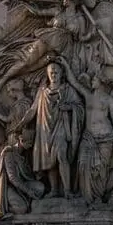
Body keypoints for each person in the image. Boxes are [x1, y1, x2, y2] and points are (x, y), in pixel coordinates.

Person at [56, 58, 113, 204]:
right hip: (88, 137)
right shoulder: (88, 96)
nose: (92, 82)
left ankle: (98, 197)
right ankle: (87, 198)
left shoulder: (109, 100)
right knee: (82, 164)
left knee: (101, 170)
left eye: (94, 80)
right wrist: (66, 64)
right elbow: (74, 82)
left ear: (101, 82)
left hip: (106, 138)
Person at [17, 62, 84, 199]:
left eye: (56, 72)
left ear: (61, 74)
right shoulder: (42, 92)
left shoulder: (67, 90)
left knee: (61, 156)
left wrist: (69, 107)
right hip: (45, 128)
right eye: (51, 72)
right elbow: (33, 110)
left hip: (61, 127)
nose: (53, 75)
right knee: (49, 160)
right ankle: (54, 190)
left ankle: (67, 190)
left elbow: (80, 107)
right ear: (48, 74)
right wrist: (21, 123)